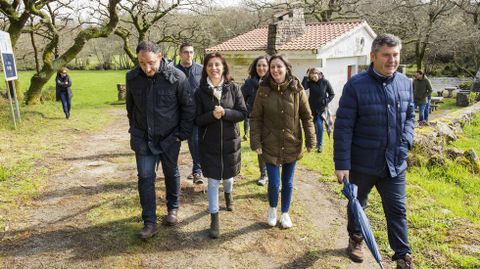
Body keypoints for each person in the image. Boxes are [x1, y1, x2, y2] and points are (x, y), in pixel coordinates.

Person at [333, 33, 415, 269]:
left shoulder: (404, 83)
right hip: (362, 163)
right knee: (357, 205)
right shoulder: (356, 85)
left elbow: (410, 116)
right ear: (373, 56)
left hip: (394, 163)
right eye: (386, 55)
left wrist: (406, 141)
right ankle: (356, 239)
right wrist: (342, 164)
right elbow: (344, 126)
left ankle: (402, 255)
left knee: (397, 210)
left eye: (396, 55)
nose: (392, 60)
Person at [126, 41, 195, 239]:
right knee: (145, 178)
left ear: (160, 56)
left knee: (171, 172)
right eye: (141, 63)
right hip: (143, 139)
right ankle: (149, 222)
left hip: (169, 138)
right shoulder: (132, 78)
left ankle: (173, 210)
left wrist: (181, 134)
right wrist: (135, 130)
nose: (146, 68)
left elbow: (188, 108)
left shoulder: (177, 77)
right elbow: (131, 109)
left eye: (151, 63)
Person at [250, 55, 316, 229]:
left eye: (279, 67)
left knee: (287, 182)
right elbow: (255, 118)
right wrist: (255, 141)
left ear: (287, 68)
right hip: (269, 143)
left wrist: (311, 140)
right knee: (274, 183)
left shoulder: (297, 90)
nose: (275, 70)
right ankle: (272, 209)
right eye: (272, 67)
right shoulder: (263, 90)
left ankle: (285, 213)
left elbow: (307, 116)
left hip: (291, 142)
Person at [194, 52, 247, 238]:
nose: (214, 68)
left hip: (230, 143)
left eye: (217, 65)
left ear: (223, 67)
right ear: (205, 69)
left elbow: (242, 113)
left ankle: (229, 195)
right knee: (213, 181)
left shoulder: (233, 88)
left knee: (228, 177)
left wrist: (225, 113)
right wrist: (211, 116)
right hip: (210, 144)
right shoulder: (199, 92)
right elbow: (196, 120)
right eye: (210, 65)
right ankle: (214, 219)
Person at [175, 42, 204, 184]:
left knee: (195, 142)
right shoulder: (172, 70)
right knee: (174, 143)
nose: (189, 55)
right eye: (186, 52)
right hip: (177, 114)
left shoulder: (201, 70)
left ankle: (197, 171)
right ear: (180, 54)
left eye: (191, 52)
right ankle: (171, 171)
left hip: (195, 114)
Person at [241, 56, 269, 186]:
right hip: (256, 122)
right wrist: (248, 111)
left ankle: (274, 175)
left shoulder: (273, 82)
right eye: (259, 65)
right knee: (260, 148)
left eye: (264, 65)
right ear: (255, 67)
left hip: (273, 121)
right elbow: (240, 100)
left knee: (274, 147)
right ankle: (263, 174)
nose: (261, 68)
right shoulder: (249, 83)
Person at [304, 68, 335, 153]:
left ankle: (320, 145)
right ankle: (314, 143)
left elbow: (332, 94)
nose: (314, 76)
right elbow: (303, 87)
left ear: (319, 74)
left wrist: (325, 101)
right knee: (313, 127)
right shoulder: (309, 83)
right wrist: (306, 77)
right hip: (311, 108)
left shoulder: (325, 82)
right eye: (311, 75)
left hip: (321, 109)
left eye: (315, 74)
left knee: (319, 125)